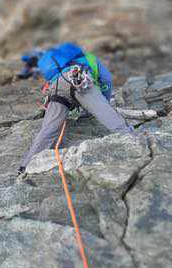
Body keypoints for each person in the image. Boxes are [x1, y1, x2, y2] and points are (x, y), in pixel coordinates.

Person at [17, 43, 134, 177]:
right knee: (106, 113)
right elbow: (106, 78)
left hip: (57, 85)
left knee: (49, 129)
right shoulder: (89, 58)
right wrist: (103, 100)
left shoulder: (56, 64)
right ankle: (132, 137)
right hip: (78, 77)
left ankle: (24, 166)